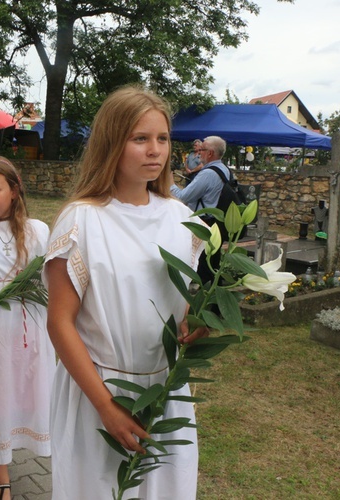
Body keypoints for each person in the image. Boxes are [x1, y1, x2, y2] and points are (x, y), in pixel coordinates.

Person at [44, 86, 208, 499]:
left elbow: (179, 302)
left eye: (163, 139)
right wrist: (106, 407)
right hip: (99, 391)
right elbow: (60, 323)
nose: (155, 150)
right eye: (140, 139)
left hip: (165, 392)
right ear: (111, 142)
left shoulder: (184, 220)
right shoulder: (82, 221)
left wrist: (194, 323)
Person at [0, 156, 54, 500]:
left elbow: (49, 278)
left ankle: (41, 452)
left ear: (15, 190)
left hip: (30, 323)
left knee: (30, 387)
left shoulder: (37, 230)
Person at [169, 136, 232, 283]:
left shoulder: (207, 174)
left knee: (198, 263)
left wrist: (170, 182)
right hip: (216, 223)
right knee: (211, 264)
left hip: (203, 223)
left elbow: (183, 197)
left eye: (201, 150)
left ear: (210, 153)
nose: (198, 154)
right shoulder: (224, 169)